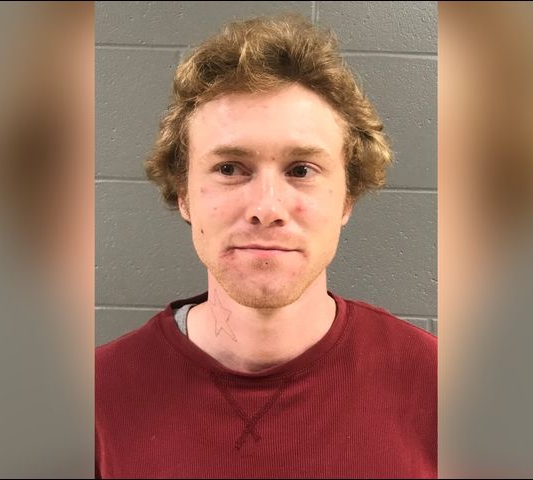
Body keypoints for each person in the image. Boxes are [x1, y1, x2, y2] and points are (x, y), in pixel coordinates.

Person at [95, 14, 436, 479]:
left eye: (301, 170)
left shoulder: (438, 386)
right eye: (230, 169)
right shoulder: (97, 397)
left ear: (347, 199)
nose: (267, 208)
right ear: (183, 194)